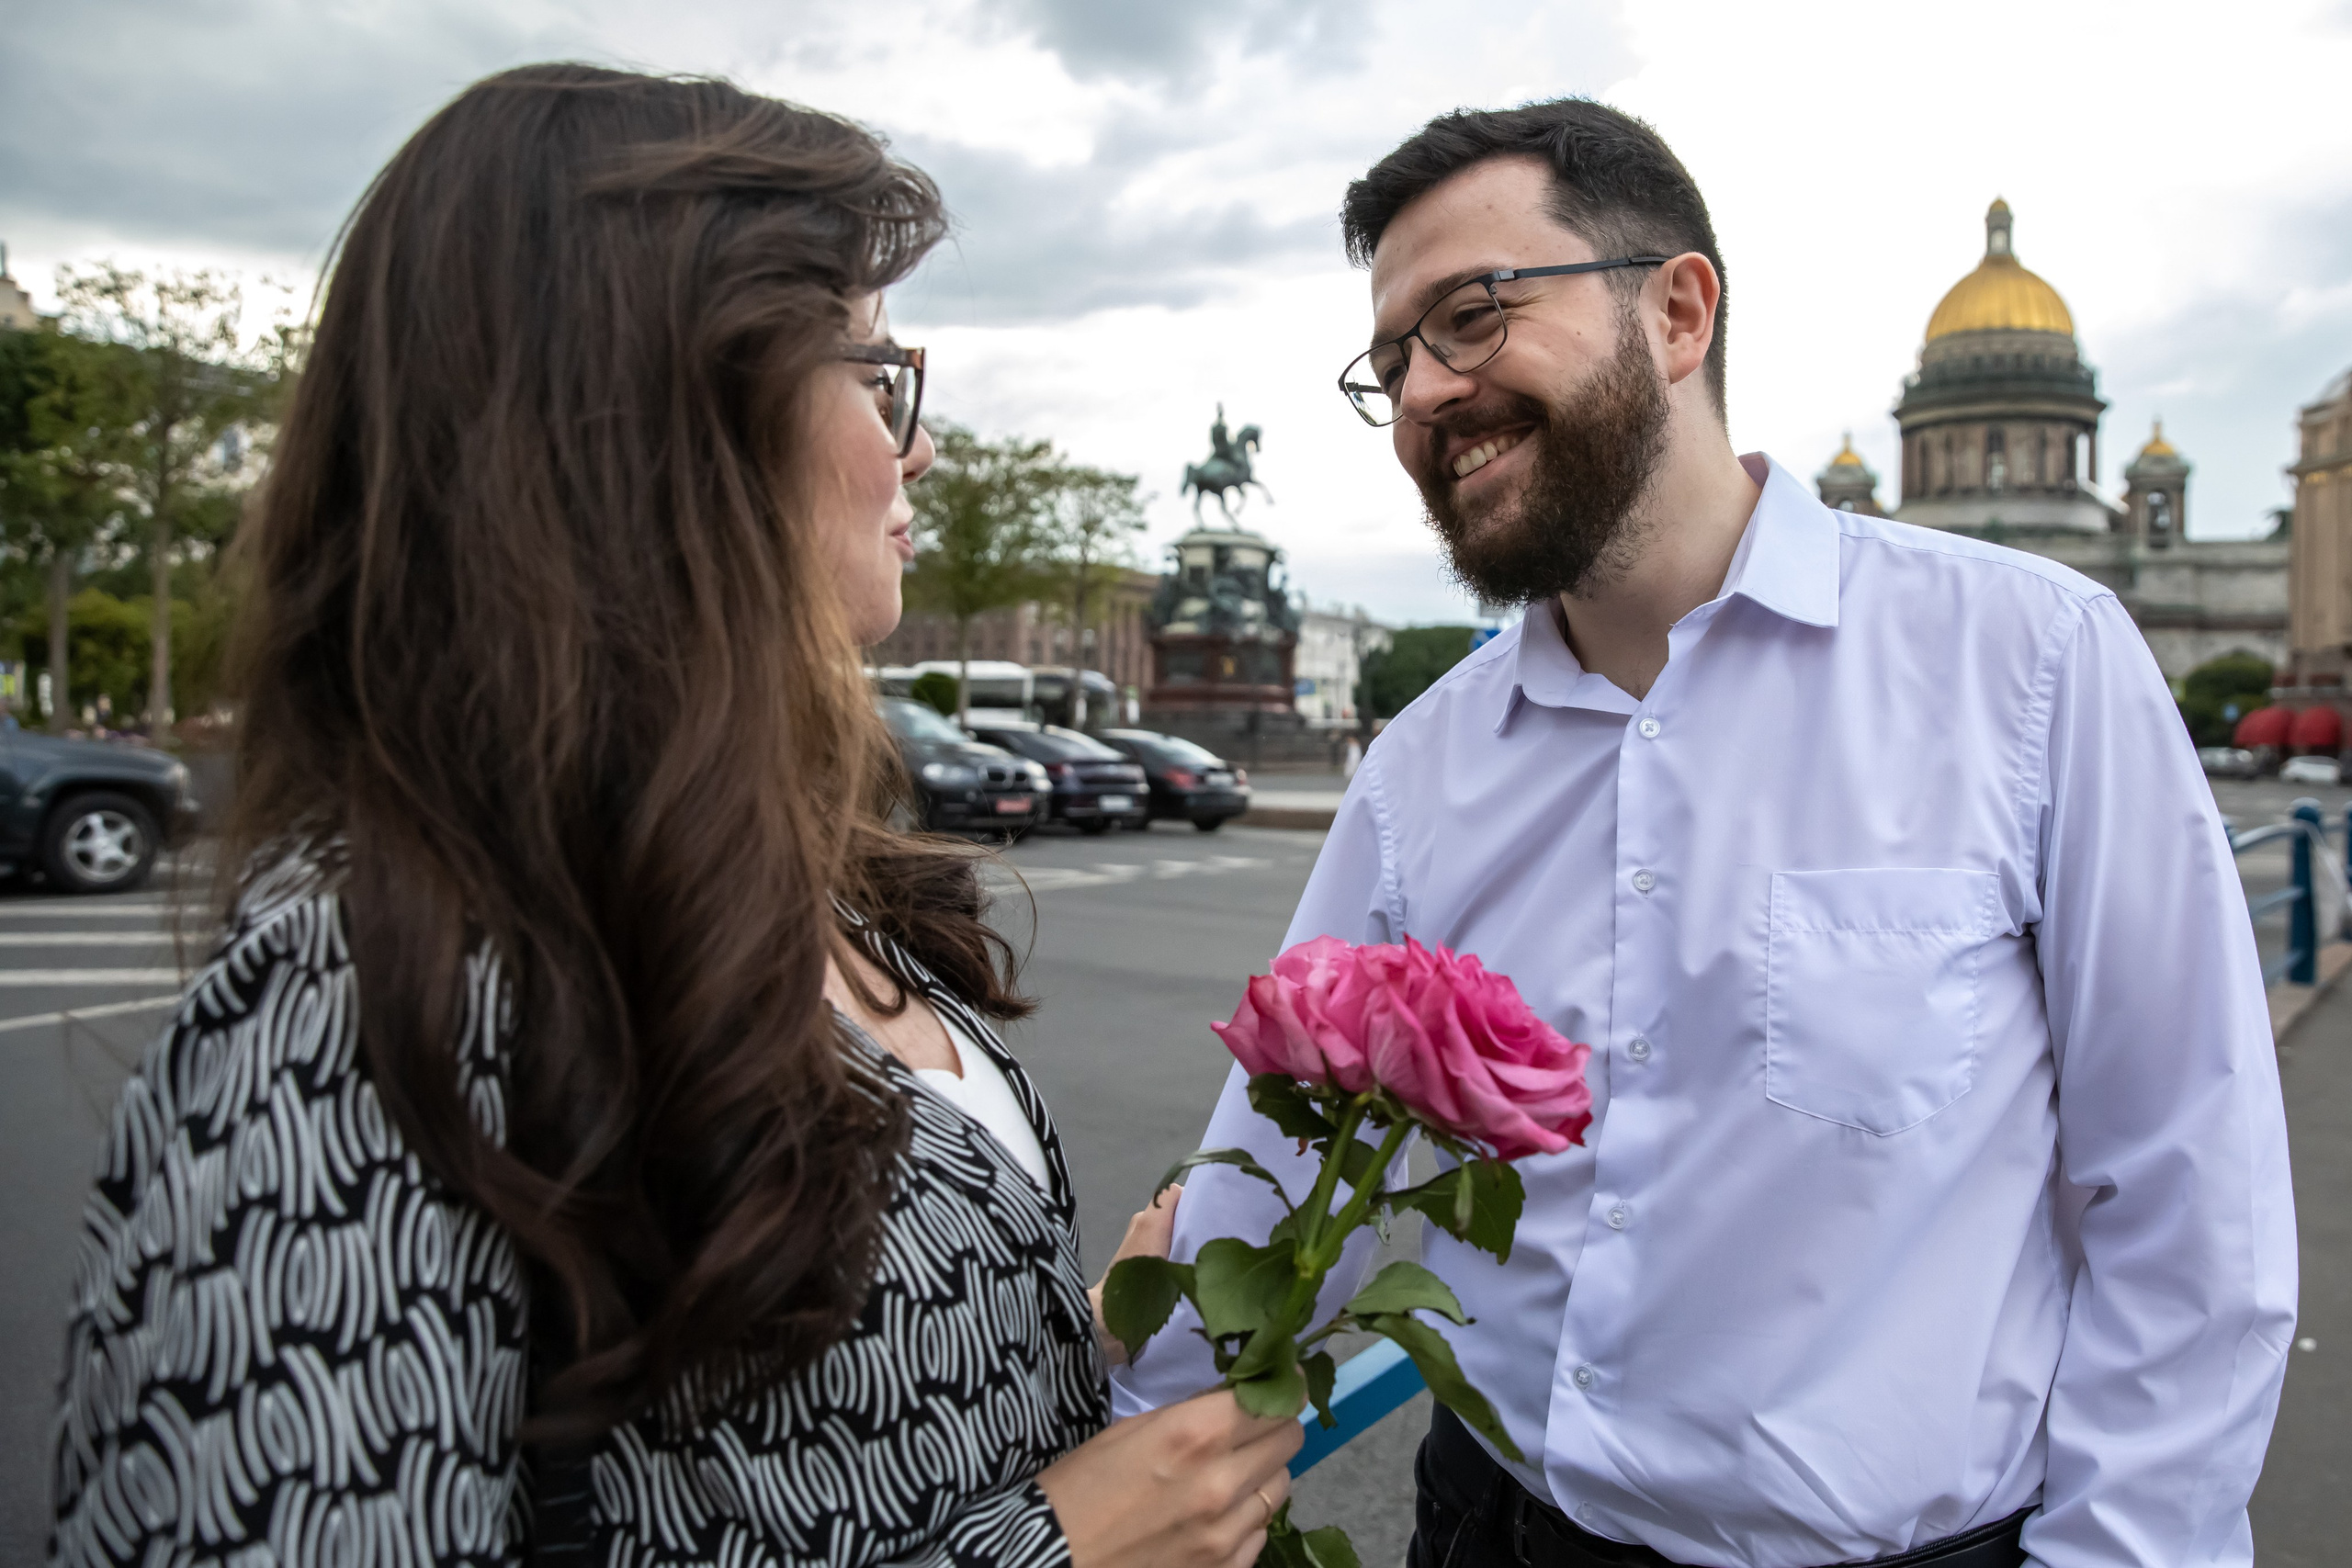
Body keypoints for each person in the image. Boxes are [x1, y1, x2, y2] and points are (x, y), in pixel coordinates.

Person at [48, 65, 1297, 1568]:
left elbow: (799, 1437)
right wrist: (1056, 1551)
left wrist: (1074, 1346)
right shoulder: (354, 995)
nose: (919, 447)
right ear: (665, 426)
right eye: (873, 372)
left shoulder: (775, 871)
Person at [1114, 100, 2296, 1568]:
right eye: (1394, 360)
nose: (1424, 393)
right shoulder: (1421, 767)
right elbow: (1281, 1155)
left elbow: (2189, 1203)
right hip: (1492, 1531)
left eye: (1472, 316)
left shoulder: (2035, 664)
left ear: (1678, 311)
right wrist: (1130, 1437)